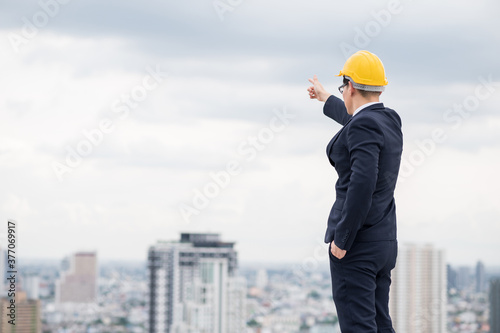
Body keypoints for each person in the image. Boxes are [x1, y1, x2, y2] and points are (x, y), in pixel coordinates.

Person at [307, 50, 403, 333]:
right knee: (379, 323)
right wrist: (326, 98)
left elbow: (362, 185)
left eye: (342, 87)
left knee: (358, 327)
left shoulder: (364, 125)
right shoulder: (389, 120)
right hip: (383, 241)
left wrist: (343, 240)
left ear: (349, 86)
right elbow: (357, 120)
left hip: (357, 244)